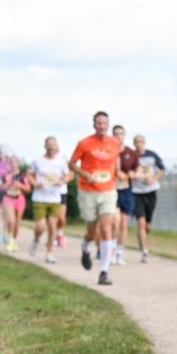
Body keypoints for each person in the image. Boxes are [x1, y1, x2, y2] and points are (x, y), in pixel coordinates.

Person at [69, 111, 121, 285]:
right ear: (94, 124)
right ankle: (85, 247)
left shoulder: (114, 143)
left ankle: (104, 272)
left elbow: (115, 161)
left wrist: (117, 173)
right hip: (88, 190)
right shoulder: (84, 143)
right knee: (93, 231)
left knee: (107, 228)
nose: (102, 126)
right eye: (99, 123)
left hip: (108, 190)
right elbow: (71, 164)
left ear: (108, 124)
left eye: (104, 123)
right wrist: (85, 174)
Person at [29, 137, 70, 264]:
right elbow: (29, 174)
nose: (51, 147)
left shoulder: (61, 161)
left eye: (53, 145)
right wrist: (35, 183)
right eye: (49, 145)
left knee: (53, 225)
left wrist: (62, 181)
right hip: (40, 197)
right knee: (40, 227)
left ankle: (50, 253)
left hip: (55, 198)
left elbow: (69, 175)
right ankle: (36, 240)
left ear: (56, 146)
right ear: (45, 146)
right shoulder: (38, 160)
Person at [130, 134, 165, 263]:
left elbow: (162, 169)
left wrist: (154, 178)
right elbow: (126, 171)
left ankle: (145, 235)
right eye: (137, 142)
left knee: (147, 225)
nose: (139, 144)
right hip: (136, 192)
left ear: (144, 143)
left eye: (141, 142)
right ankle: (144, 251)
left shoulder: (152, 155)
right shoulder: (131, 156)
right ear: (134, 143)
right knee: (141, 223)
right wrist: (132, 176)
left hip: (151, 191)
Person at [113, 124, 139, 265]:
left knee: (123, 224)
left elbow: (138, 170)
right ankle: (110, 249)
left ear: (124, 135)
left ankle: (119, 252)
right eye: (116, 133)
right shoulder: (109, 151)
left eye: (121, 133)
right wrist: (116, 173)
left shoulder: (131, 153)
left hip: (127, 191)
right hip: (112, 190)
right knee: (115, 222)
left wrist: (132, 174)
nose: (118, 136)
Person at [1, 157, 31, 252]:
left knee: (17, 223)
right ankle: (9, 239)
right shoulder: (5, 175)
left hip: (19, 199)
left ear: (18, 164)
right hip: (8, 198)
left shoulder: (22, 176)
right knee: (11, 221)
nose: (13, 164)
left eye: (15, 162)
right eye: (11, 162)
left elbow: (28, 189)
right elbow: (1, 187)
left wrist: (20, 185)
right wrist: (9, 184)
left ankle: (13, 241)